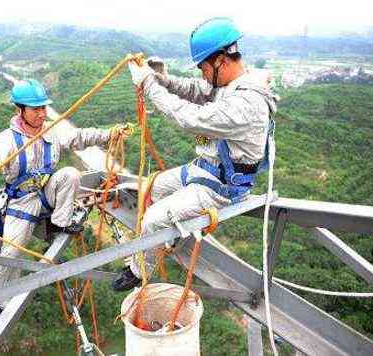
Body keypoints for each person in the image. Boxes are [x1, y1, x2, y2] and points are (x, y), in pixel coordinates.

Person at [0, 79, 128, 329]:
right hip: (21, 201)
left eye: (43, 108)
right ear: (20, 110)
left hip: (46, 192)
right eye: (36, 109)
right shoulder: (7, 141)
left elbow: (79, 137)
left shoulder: (51, 131)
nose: (42, 113)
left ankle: (61, 222)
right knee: (10, 254)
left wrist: (109, 134)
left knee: (70, 174)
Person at [112, 17, 278, 291]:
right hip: (205, 169)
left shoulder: (247, 102)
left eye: (202, 67)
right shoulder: (229, 84)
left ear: (221, 60)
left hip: (222, 188)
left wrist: (148, 85)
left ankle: (139, 270)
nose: (201, 73)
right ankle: (168, 237)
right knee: (150, 190)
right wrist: (159, 78)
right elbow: (194, 90)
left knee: (153, 219)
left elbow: (188, 117)